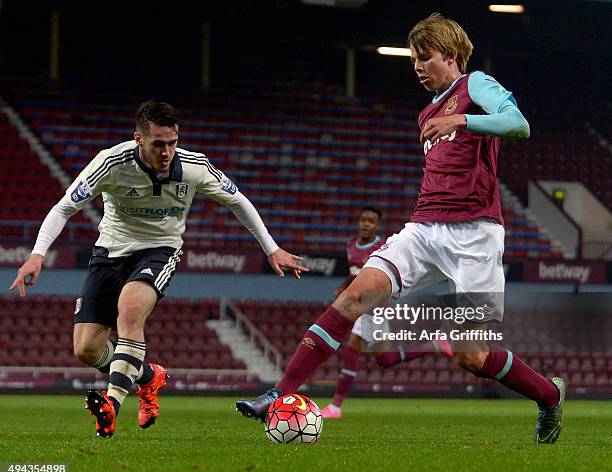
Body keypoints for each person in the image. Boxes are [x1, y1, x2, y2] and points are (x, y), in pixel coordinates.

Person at [237, 13, 567, 444]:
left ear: (449, 56)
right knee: (353, 296)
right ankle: (277, 394)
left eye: (424, 57)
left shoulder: (475, 85)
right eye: (413, 59)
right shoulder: (426, 112)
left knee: (471, 356)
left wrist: (462, 120)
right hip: (423, 229)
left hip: (475, 235)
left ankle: (547, 396)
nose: (416, 66)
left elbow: (519, 125)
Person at [10, 101, 307, 438]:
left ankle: (112, 405)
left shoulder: (194, 167)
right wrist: (37, 255)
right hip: (109, 253)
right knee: (86, 350)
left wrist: (271, 248)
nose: (167, 152)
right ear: (139, 138)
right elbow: (63, 208)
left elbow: (238, 200)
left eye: (173, 142)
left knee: (130, 309)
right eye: (158, 144)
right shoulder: (110, 163)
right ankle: (149, 377)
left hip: (159, 251)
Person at [320, 207, 451, 419]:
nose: (365, 224)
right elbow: (356, 274)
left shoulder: (382, 247)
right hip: (362, 307)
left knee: (352, 346)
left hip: (374, 309)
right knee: (385, 359)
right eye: (363, 219)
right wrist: (344, 287)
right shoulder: (351, 245)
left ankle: (335, 406)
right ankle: (434, 345)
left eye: (371, 221)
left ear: (378, 225)